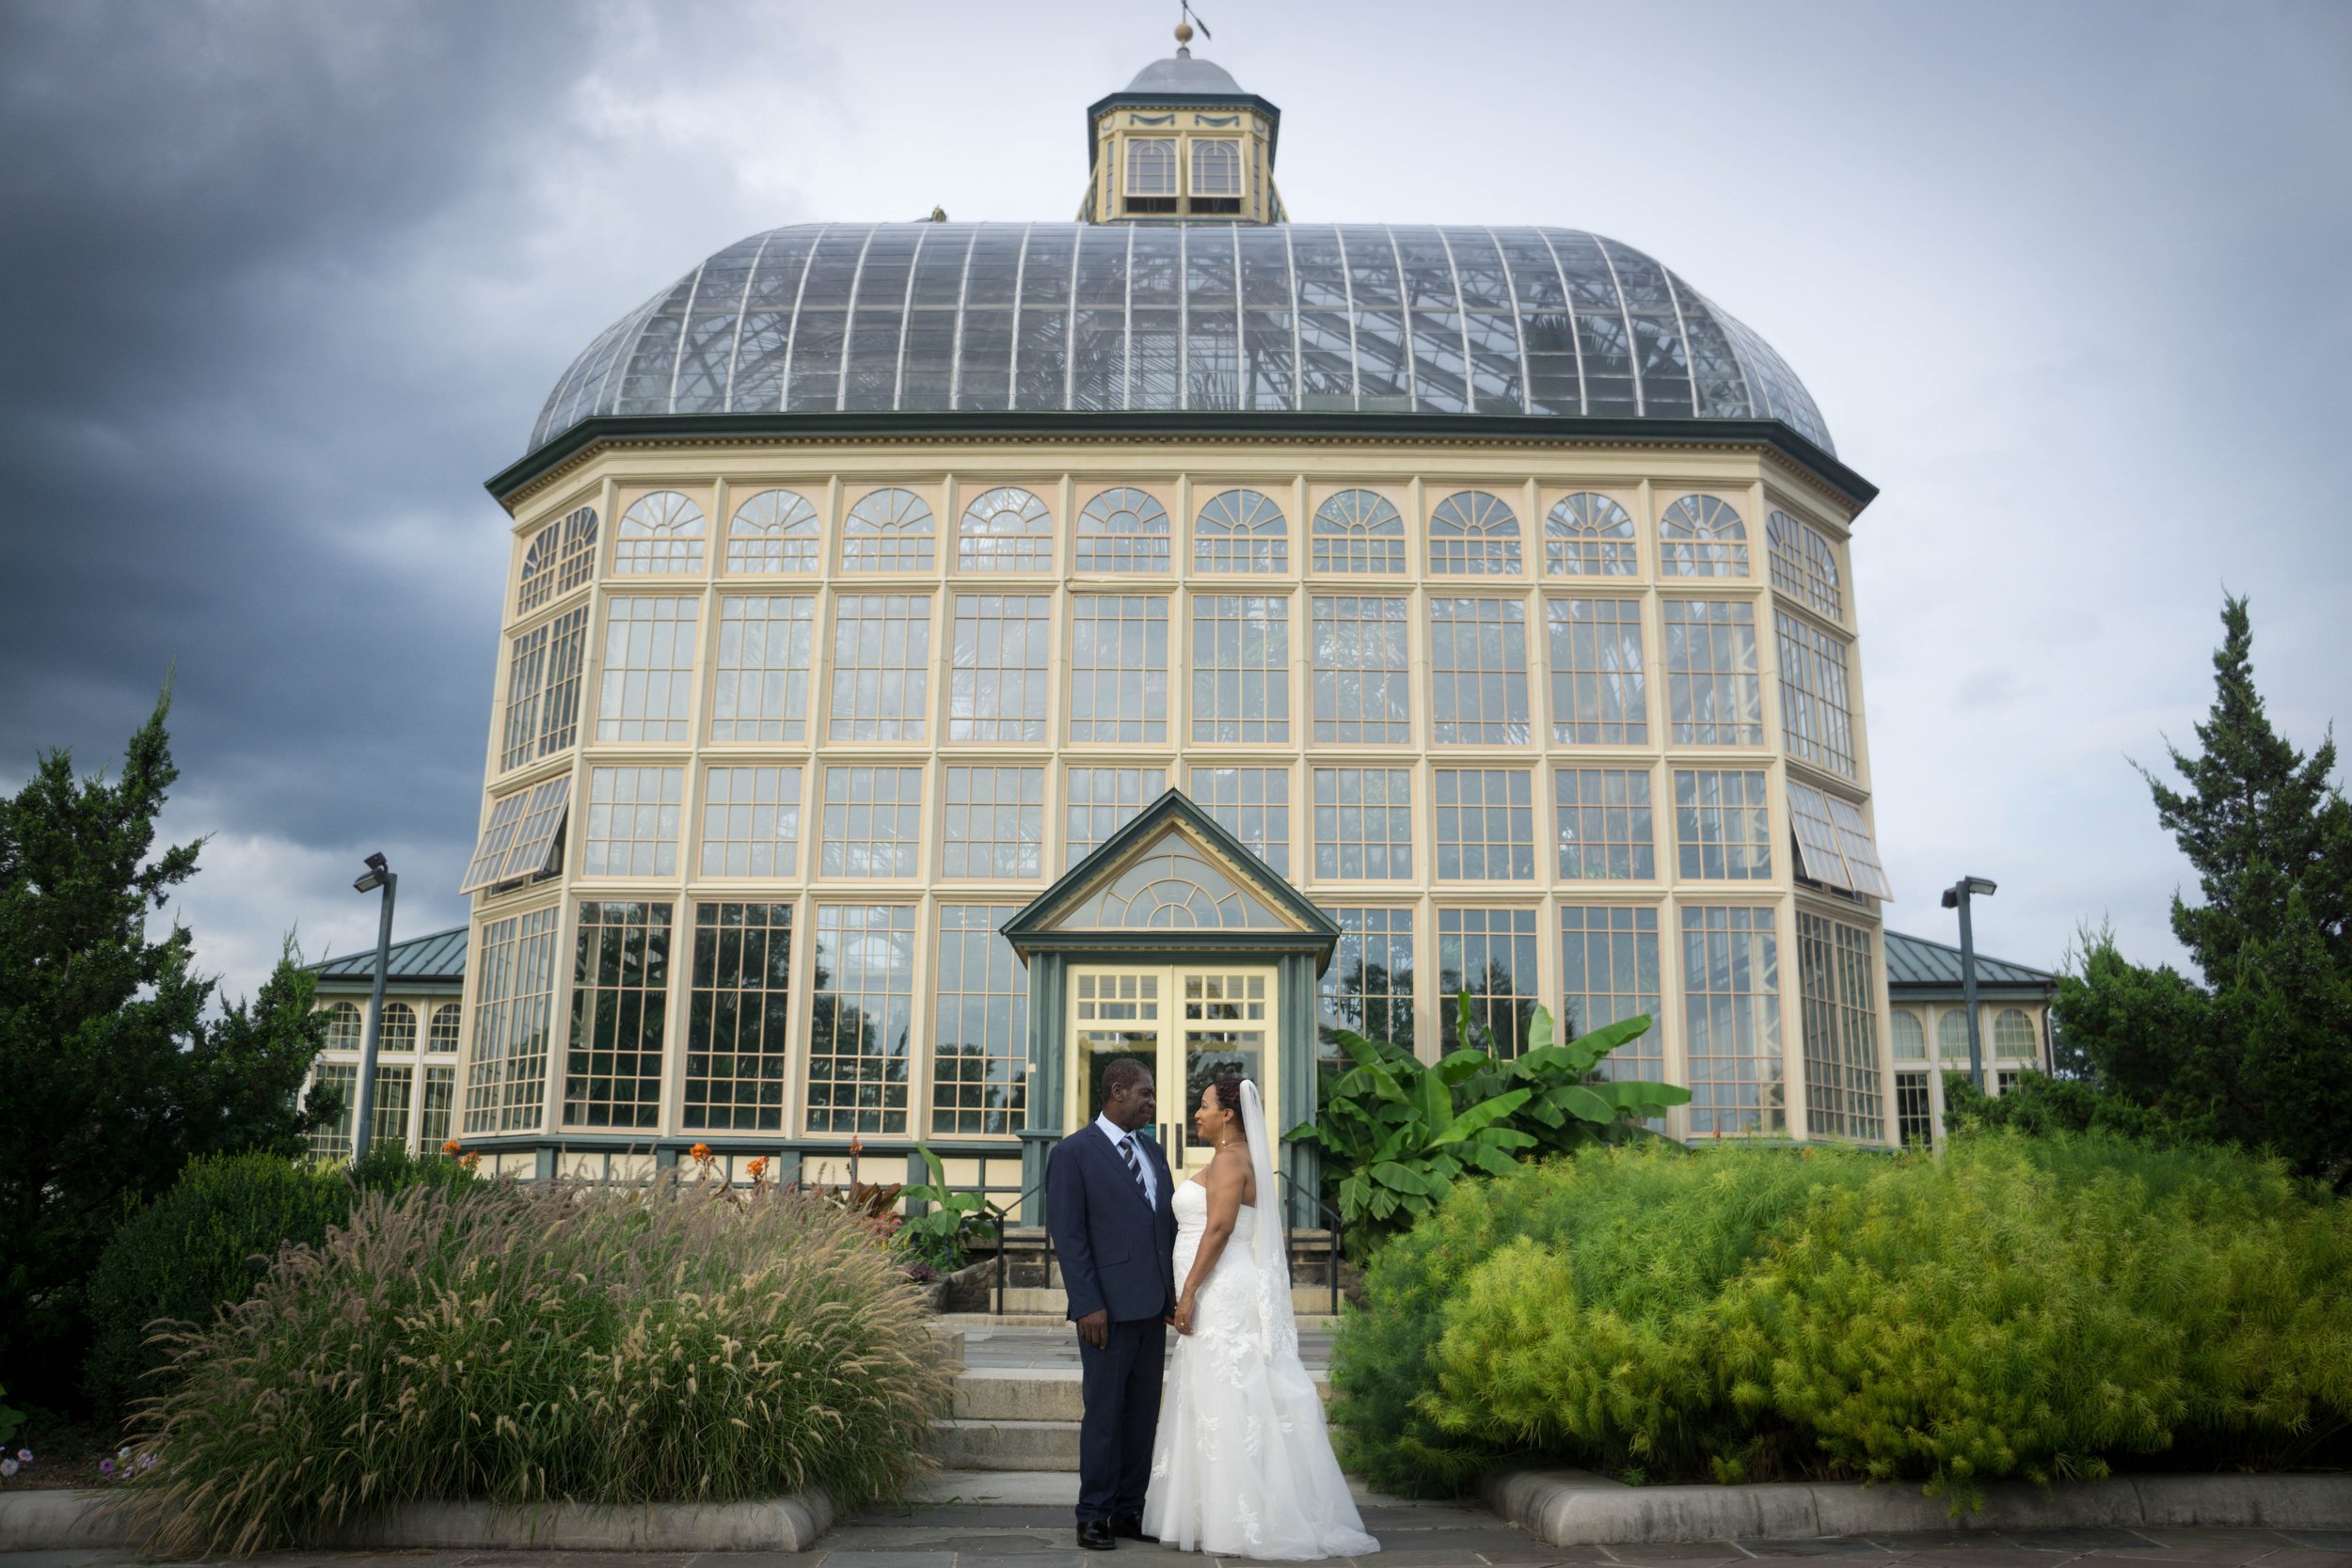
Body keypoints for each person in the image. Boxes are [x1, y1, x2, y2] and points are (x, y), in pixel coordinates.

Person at [1143, 1075, 1380, 1560]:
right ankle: (1218, 1512)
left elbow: (1220, 1229)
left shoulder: (1232, 1160)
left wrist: (1187, 1293)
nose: (1197, 1114)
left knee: (1229, 1395)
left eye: (1204, 1106)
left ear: (1228, 1114)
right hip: (1217, 1286)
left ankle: (1243, 1517)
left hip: (1221, 1290)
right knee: (1215, 1396)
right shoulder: (1228, 1158)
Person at [1046, 1059, 1178, 1552]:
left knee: (1143, 1414)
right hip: (1105, 1312)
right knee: (1104, 1414)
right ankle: (1093, 1515)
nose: (1152, 1103)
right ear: (1117, 1091)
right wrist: (1087, 1305)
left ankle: (1128, 1510)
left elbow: (1162, 1226)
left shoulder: (1154, 1150)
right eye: (1145, 1094)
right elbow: (1070, 1235)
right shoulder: (1073, 1153)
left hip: (1151, 1308)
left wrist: (1173, 1293)